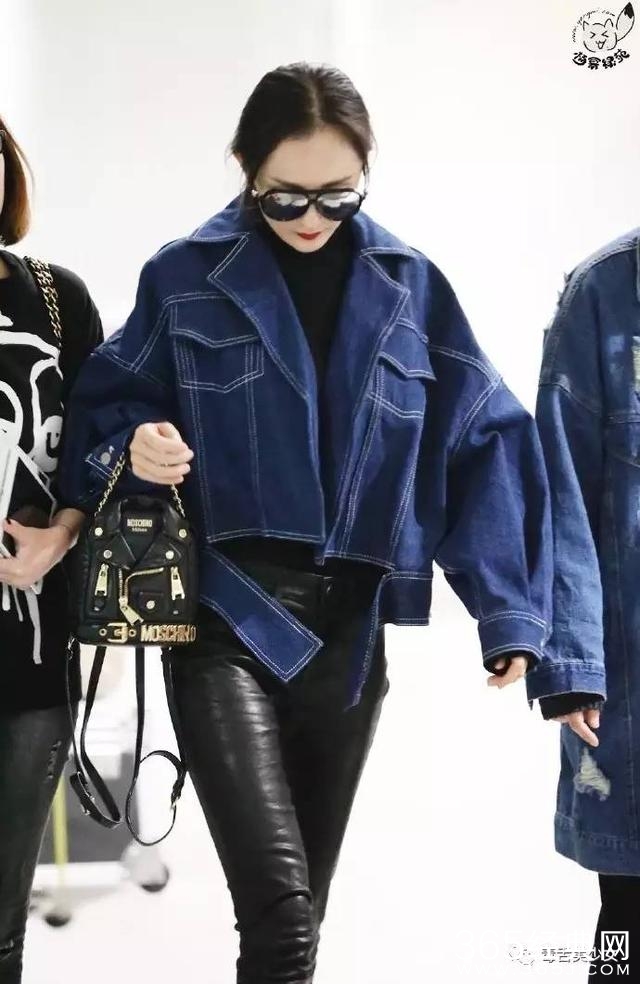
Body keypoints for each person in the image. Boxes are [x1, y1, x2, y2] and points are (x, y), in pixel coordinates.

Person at [59, 63, 554, 983]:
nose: (311, 218)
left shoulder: (411, 288)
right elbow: (106, 406)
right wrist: (137, 444)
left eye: (338, 195)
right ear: (244, 167)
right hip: (224, 622)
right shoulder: (184, 277)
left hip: (352, 638)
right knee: (284, 918)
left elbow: (485, 440)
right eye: (285, 196)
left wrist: (510, 613)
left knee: (297, 926)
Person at [0, 116, 103, 983]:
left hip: (32, 658)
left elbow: (98, 454)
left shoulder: (55, 298)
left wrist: (62, 533)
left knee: (1, 924)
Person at [531, 228, 640, 981]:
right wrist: (570, 662)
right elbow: (559, 485)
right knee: (625, 929)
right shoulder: (604, 293)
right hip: (631, 684)